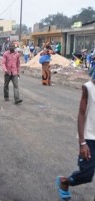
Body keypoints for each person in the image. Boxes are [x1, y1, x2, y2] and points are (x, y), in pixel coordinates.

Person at [55, 66, 95, 201]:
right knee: (86, 174)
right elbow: (81, 114)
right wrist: (82, 142)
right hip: (90, 138)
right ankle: (64, 182)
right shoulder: (88, 87)